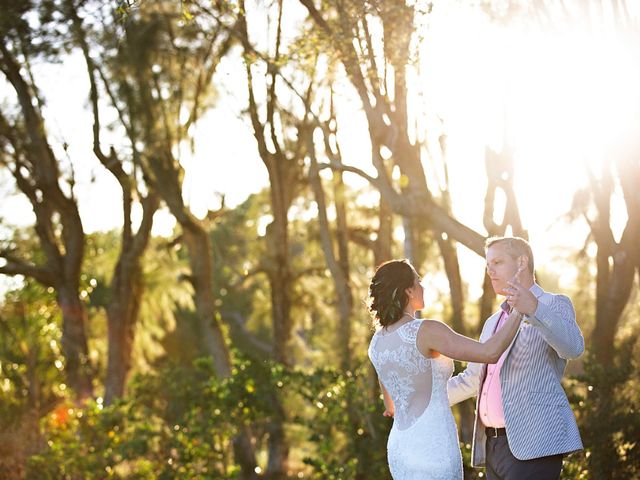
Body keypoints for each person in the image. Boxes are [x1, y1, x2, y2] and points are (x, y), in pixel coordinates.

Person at [367, 258, 524, 480]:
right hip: (433, 442)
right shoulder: (427, 330)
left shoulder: (376, 343)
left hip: (400, 446)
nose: (423, 286)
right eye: (418, 281)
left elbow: (390, 406)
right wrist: (518, 311)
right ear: (409, 291)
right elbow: (489, 352)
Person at [448, 236, 584, 480]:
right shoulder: (492, 322)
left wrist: (535, 309)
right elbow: (472, 379)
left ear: (522, 262)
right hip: (492, 447)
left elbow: (573, 348)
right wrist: (421, 400)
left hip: (535, 443)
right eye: (488, 264)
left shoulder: (554, 303)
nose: (490, 271)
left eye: (498, 262)